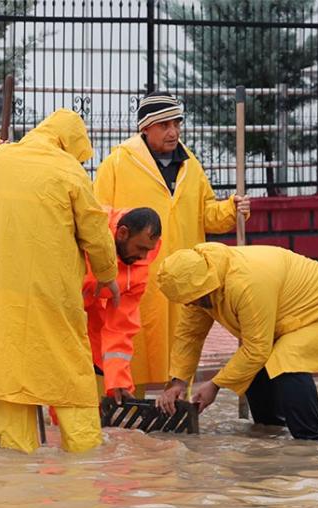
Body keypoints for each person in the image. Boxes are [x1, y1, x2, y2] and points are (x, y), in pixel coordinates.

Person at [0, 109, 119, 454]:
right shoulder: (68, 170)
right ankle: (85, 460)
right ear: (69, 142)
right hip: (52, 292)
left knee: (8, 374)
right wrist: (108, 276)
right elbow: (96, 232)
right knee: (69, 374)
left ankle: (18, 472)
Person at [93, 91, 251, 393]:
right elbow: (99, 218)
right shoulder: (117, 164)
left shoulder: (190, 165)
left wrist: (233, 208)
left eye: (176, 123)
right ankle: (125, 402)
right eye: (164, 125)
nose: (173, 132)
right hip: (136, 276)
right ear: (145, 128)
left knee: (184, 340)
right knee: (130, 341)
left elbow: (207, 215)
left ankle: (177, 401)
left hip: (183, 275)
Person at [155, 243, 318, 441]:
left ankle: (310, 442)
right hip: (292, 320)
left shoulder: (245, 282)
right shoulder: (200, 292)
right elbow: (190, 336)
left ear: (205, 283)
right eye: (187, 301)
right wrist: (178, 382)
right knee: (254, 368)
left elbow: (256, 349)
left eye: (194, 298)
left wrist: (216, 384)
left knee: (287, 360)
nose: (192, 304)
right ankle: (270, 432)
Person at [82, 207, 162, 404]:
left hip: (87, 305)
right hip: (55, 301)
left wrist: (119, 382)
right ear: (122, 233)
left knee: (91, 364)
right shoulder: (90, 230)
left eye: (148, 250)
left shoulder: (139, 269)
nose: (144, 257)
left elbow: (121, 327)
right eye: (141, 248)